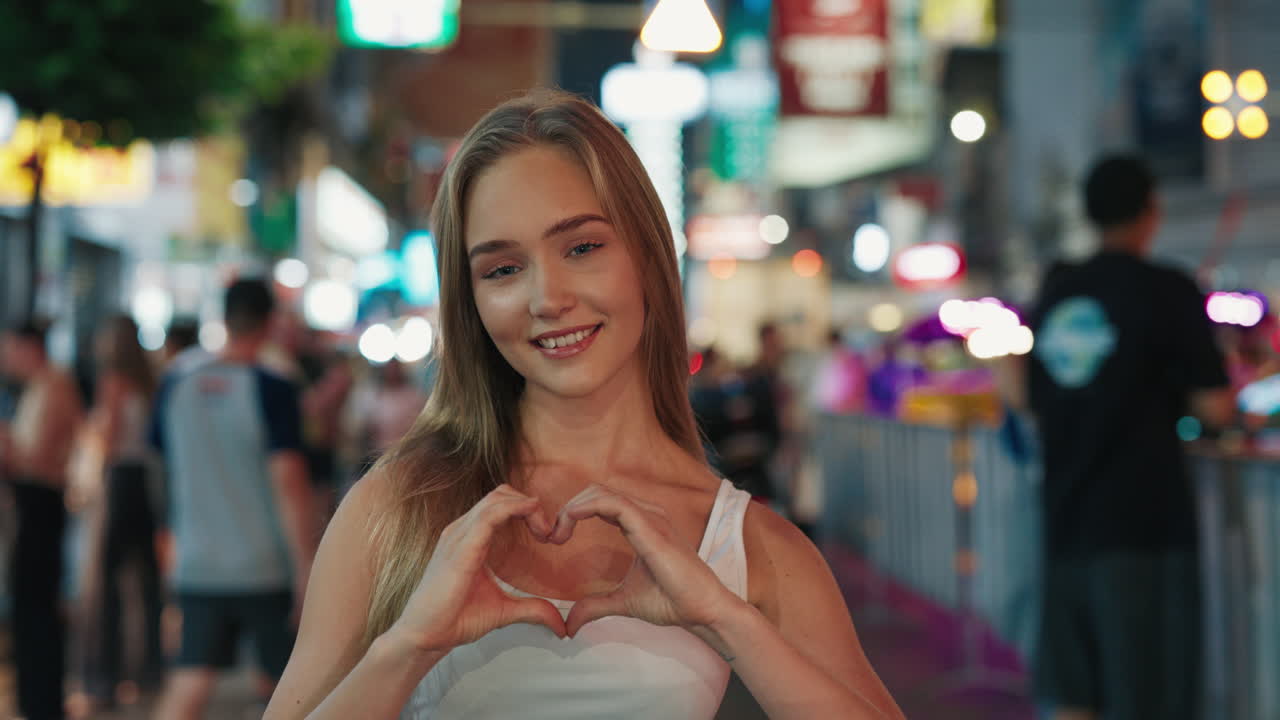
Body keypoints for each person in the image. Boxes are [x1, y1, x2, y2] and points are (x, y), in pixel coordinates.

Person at [264, 90, 902, 720]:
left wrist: (724, 619)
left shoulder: (747, 542)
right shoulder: (399, 509)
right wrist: (407, 649)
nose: (548, 297)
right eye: (502, 270)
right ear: (472, 302)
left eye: (582, 248)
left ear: (647, 258)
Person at [1026, 153, 1234, 720]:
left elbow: (1031, 399)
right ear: (1151, 211)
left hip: (1065, 523)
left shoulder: (1057, 292)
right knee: (1146, 694)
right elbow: (1214, 406)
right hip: (1146, 529)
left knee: (1073, 692)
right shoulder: (1167, 290)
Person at [150, 279, 319, 719]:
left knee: (190, 680)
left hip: (198, 563)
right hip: (263, 566)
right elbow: (291, 487)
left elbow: (165, 470)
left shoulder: (175, 383)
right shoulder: (272, 387)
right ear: (270, 323)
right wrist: (306, 569)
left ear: (224, 318)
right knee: (286, 689)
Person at [0, 319, 84, 720]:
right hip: (34, 504)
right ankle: (36, 700)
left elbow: (40, 460)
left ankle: (42, 703)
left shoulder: (54, 385)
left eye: (8, 348)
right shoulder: (39, 387)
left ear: (27, 347)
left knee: (36, 608)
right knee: (30, 607)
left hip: (42, 505)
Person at [81, 315, 164, 707]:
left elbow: (109, 437)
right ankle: (149, 671)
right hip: (144, 481)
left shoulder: (113, 380)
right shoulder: (150, 380)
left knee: (109, 584)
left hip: (118, 481)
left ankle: (107, 678)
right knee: (147, 580)